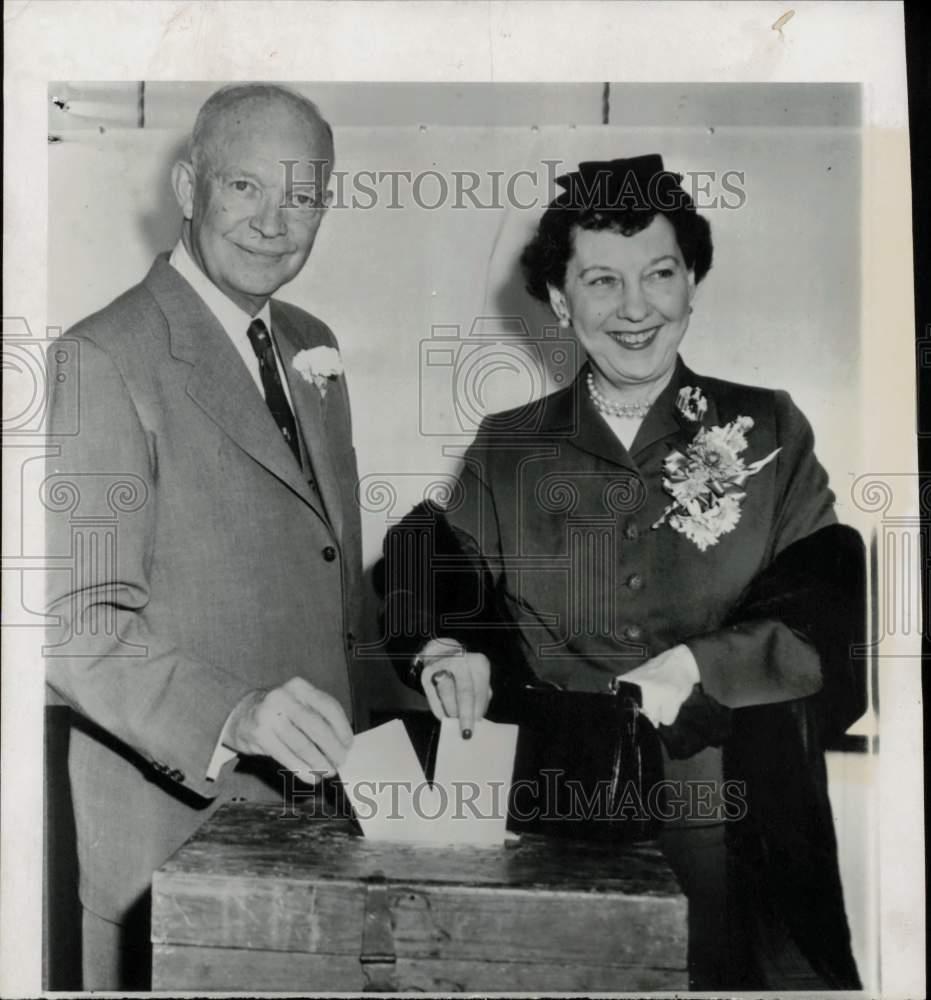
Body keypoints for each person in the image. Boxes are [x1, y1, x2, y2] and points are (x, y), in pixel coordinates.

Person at [380, 155, 866, 990]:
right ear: (560, 300)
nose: (635, 308)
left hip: (731, 814)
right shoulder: (508, 445)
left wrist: (700, 666)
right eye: (601, 280)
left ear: (691, 284)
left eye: (659, 274)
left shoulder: (768, 428)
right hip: (551, 813)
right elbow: (431, 573)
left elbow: (822, 606)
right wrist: (444, 649)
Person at [44, 83, 361, 990]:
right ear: (188, 188)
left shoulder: (310, 342)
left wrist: (427, 657)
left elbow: (322, 573)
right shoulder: (101, 356)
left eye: (302, 196)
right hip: (173, 848)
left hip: (316, 832)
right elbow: (73, 629)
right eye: (244, 187)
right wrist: (236, 714)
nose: (273, 223)